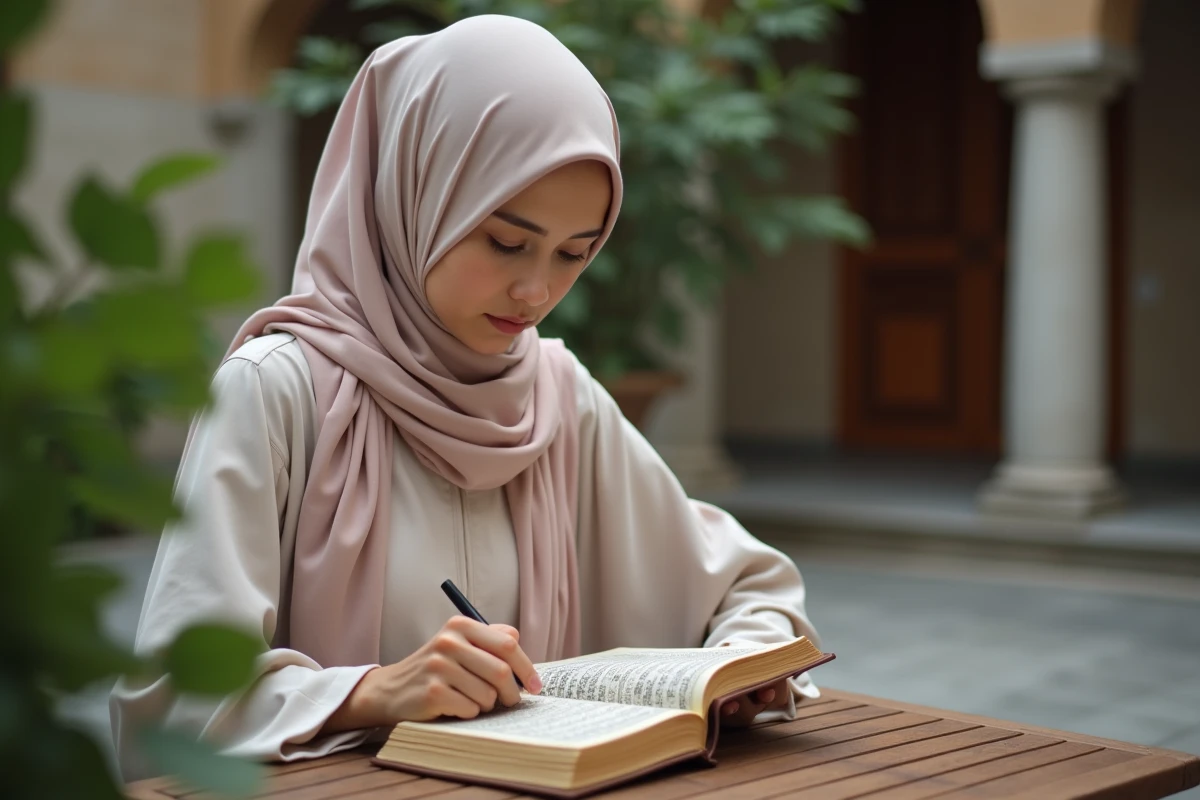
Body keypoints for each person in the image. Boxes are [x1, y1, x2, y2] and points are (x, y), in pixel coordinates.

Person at [110, 13, 821, 781]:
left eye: (575, 254)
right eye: (506, 242)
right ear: (415, 191)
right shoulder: (276, 390)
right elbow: (175, 701)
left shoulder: (555, 398)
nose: (537, 289)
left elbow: (750, 587)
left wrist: (740, 669)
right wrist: (372, 693)